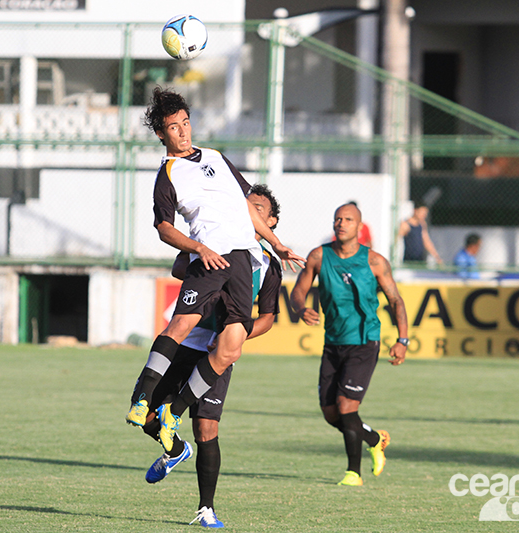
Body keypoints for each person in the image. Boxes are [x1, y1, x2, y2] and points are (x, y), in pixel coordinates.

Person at [125, 88, 303, 460]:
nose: (184, 132)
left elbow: (246, 205)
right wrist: (198, 249)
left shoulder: (217, 158)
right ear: (162, 134)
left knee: (232, 345)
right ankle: (143, 400)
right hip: (209, 256)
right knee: (180, 326)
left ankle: (173, 414)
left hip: (239, 258)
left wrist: (276, 242)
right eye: (174, 127)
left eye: (186, 123)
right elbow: (164, 228)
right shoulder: (168, 174)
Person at [140, 184, 284, 529]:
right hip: (187, 341)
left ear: (272, 222)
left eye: (258, 209)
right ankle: (175, 451)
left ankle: (206, 509)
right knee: (145, 415)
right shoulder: (213, 241)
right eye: (244, 204)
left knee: (206, 426)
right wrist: (203, 259)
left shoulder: (268, 264)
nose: (248, 211)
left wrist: (232, 335)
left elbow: (267, 317)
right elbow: (178, 267)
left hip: (218, 353)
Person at [291, 202, 408, 486]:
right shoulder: (319, 257)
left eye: (348, 219)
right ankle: (375, 438)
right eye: (337, 219)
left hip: (365, 341)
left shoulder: (375, 262)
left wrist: (402, 339)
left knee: (346, 407)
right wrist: (300, 308)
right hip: (333, 342)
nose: (341, 223)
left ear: (359, 226)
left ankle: (353, 473)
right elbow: (298, 290)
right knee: (331, 413)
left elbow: (395, 300)